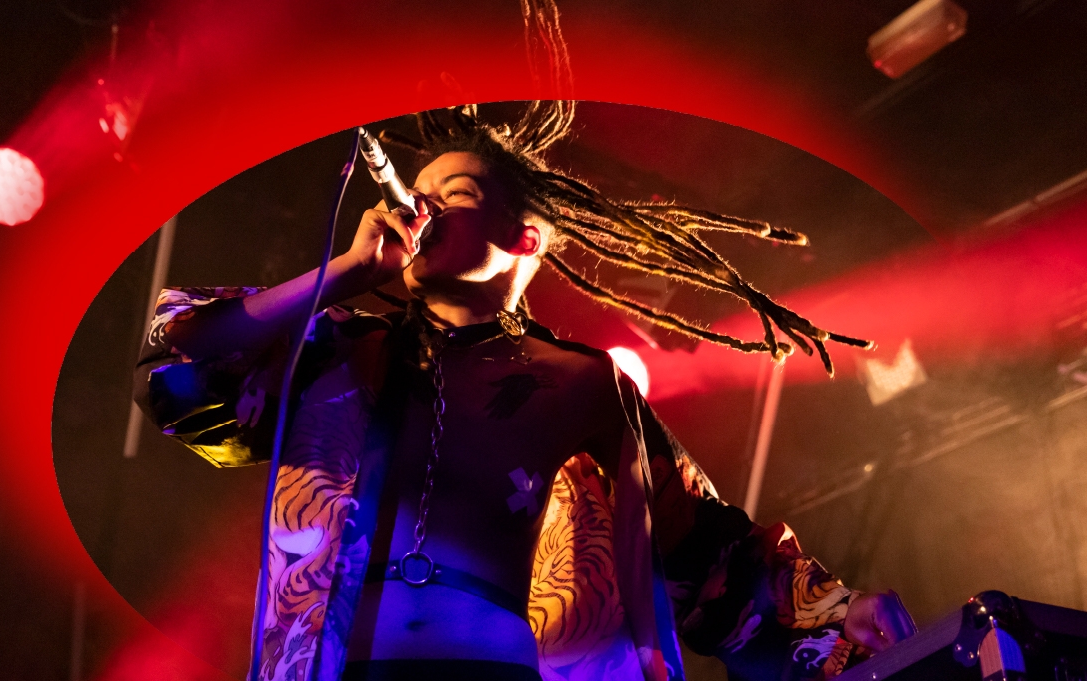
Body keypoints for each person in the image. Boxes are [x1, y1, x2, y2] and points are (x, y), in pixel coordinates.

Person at [133, 102, 916, 681]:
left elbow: (706, 544)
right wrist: (344, 275)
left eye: (457, 193)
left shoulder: (581, 381)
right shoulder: (337, 352)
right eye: (419, 193)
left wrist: (839, 607)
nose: (423, 205)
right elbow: (178, 359)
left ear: (524, 239)